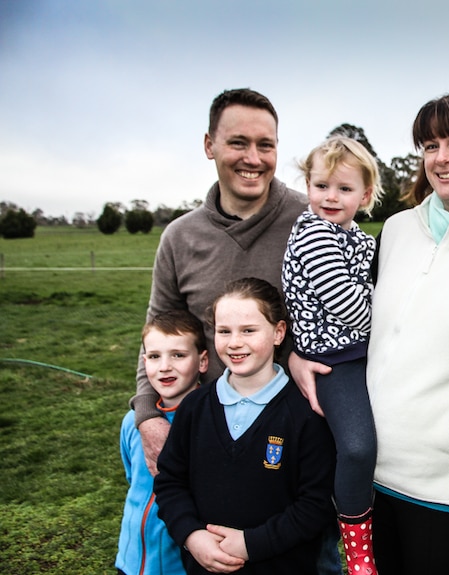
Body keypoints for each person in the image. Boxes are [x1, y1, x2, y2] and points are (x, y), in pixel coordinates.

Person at [291, 93, 449, 575]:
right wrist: (295, 354)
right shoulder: (394, 230)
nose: (442, 157)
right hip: (364, 477)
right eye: (429, 145)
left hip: (446, 493)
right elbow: (342, 316)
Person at [129, 88, 344, 575]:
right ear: (209, 145)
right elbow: (157, 333)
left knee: (309, 554)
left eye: (266, 145)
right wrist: (148, 416)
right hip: (210, 433)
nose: (253, 158)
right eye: (238, 143)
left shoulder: (312, 219)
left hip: (295, 432)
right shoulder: (180, 237)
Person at [154, 277, 337, 575]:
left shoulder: (305, 413)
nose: (235, 342)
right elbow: (170, 482)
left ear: (279, 333)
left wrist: (253, 543)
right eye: (224, 331)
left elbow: (317, 504)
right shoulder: (195, 408)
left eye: (248, 331)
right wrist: (192, 535)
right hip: (204, 566)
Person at [282, 136, 383, 574]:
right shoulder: (314, 235)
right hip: (333, 360)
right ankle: (357, 550)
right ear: (307, 186)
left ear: (364, 195)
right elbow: (350, 306)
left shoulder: (356, 236)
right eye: (321, 185)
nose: (330, 197)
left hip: (361, 354)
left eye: (343, 189)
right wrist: (395, 315)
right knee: (359, 448)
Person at [116, 310, 209, 575]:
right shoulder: (133, 422)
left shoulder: (210, 423)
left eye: (178, 355)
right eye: (155, 356)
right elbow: (132, 478)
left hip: (183, 566)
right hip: (131, 562)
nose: (164, 366)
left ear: (203, 361)